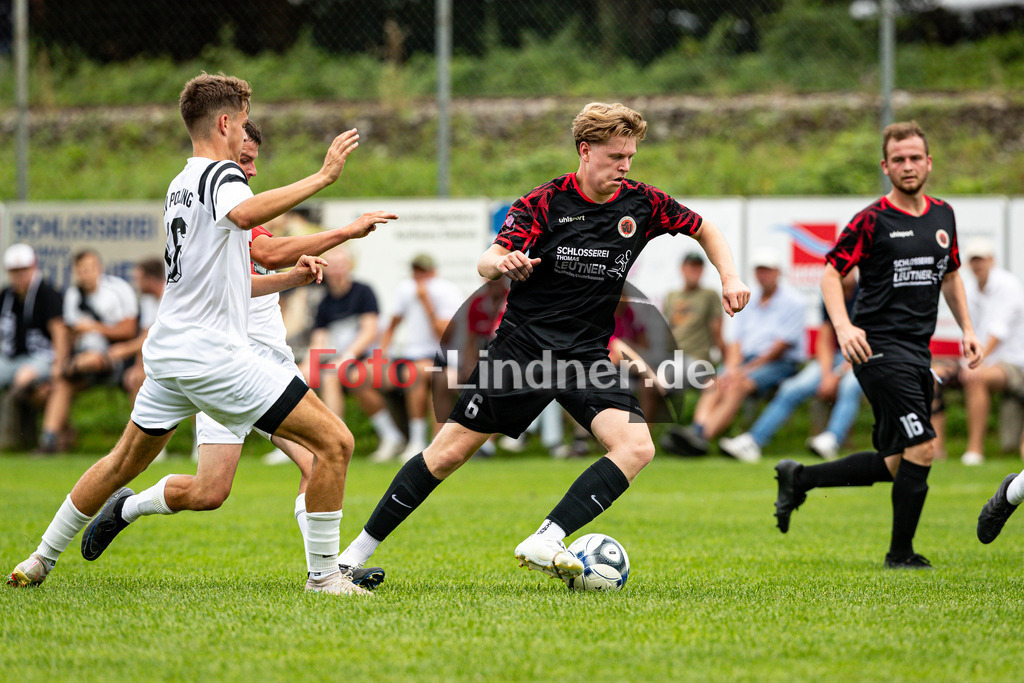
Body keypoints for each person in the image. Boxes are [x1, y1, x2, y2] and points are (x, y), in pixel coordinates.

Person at [334, 101, 750, 584]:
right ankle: (349, 558)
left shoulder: (643, 203)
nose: (625, 166)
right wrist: (503, 262)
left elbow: (704, 227)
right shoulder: (546, 202)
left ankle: (547, 538)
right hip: (523, 352)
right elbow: (488, 259)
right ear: (585, 150)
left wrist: (730, 276)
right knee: (446, 454)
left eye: (631, 157)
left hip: (586, 356)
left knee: (636, 446)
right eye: (615, 156)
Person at [8, 73, 373, 596]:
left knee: (122, 464)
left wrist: (292, 278)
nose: (245, 136)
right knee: (335, 442)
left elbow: (227, 273)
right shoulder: (220, 175)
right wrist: (324, 177)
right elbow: (246, 215)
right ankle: (324, 577)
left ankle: (38, 559)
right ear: (225, 123)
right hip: (214, 357)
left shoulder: (181, 183)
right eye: (243, 123)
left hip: (170, 353)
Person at [773, 120, 982, 570]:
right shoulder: (872, 220)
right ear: (885, 167)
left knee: (896, 462)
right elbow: (831, 273)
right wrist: (844, 327)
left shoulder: (943, 215)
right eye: (898, 159)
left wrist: (967, 329)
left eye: (915, 158)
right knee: (922, 446)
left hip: (917, 351)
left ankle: (799, 478)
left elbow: (950, 276)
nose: (908, 166)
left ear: (929, 163)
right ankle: (900, 554)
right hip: (877, 349)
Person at [669, 246, 805, 458]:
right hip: (747, 361)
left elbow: (779, 349)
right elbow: (736, 342)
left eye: (767, 270)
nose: (763, 275)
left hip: (780, 364)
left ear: (778, 272)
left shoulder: (795, 302)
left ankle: (701, 437)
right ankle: (697, 432)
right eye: (760, 270)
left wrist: (743, 370)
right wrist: (732, 367)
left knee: (737, 385)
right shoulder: (749, 299)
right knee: (716, 381)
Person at [719, 269, 861, 463]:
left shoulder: (868, 293)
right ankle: (753, 441)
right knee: (791, 388)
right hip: (835, 357)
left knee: (849, 386)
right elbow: (825, 338)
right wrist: (827, 373)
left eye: (849, 267)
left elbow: (870, 338)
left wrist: (836, 375)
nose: (844, 270)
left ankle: (832, 439)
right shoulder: (832, 293)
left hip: (863, 357)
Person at [303, 246, 406, 464]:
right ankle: (329, 440)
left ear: (350, 266)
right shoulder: (325, 302)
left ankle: (387, 436)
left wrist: (346, 358)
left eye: (341, 265)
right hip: (344, 363)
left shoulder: (363, 292)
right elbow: (318, 340)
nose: (337, 271)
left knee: (352, 376)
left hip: (373, 357)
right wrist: (306, 366)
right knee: (315, 377)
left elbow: (369, 332)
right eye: (332, 266)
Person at [39, 249, 139, 452]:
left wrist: (94, 327)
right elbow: (69, 335)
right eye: (81, 270)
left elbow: (129, 330)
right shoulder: (73, 295)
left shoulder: (118, 289)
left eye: (89, 269)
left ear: (99, 268)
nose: (86, 274)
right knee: (61, 385)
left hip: (114, 358)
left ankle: (69, 368)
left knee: (92, 359)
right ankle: (48, 441)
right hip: (83, 361)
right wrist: (70, 343)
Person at [943, 237, 1024, 466]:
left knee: (976, 377)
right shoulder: (969, 288)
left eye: (981, 259)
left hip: (1014, 363)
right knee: (932, 376)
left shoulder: (1008, 285)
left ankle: (974, 450)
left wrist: (974, 363)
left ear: (991, 260)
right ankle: (932, 450)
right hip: (984, 361)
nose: (977, 264)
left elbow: (997, 333)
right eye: (973, 260)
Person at [378, 253, 463, 462]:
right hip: (411, 356)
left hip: (442, 356)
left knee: (414, 374)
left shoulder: (447, 291)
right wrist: (382, 355)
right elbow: (392, 325)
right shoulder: (405, 289)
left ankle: (417, 441)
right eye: (416, 271)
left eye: (423, 272)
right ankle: (392, 436)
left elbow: (444, 335)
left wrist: (426, 302)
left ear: (433, 272)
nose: (419, 277)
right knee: (370, 377)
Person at [0, 243, 69, 449]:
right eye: (15, 271)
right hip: (10, 357)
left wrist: (59, 364)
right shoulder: (6, 296)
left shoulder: (47, 294)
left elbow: (60, 332)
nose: (20, 276)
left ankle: (12, 436)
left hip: (43, 358)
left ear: (34, 267)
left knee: (24, 377)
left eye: (24, 270)